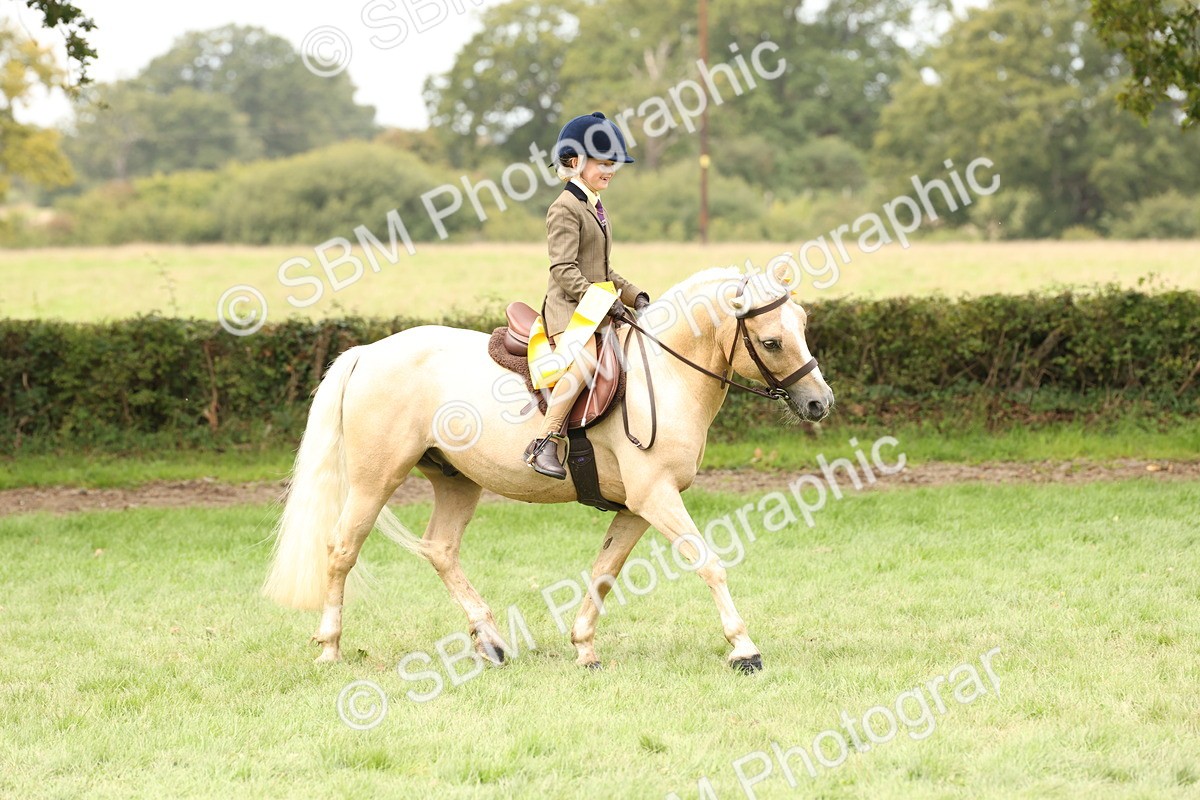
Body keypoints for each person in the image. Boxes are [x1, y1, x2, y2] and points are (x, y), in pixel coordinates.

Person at [524, 112, 650, 479]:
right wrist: (604, 302)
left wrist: (634, 295)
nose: (611, 169)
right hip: (568, 312)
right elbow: (564, 271)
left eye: (614, 164)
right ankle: (544, 442)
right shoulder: (564, 207)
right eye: (604, 162)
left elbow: (601, 268)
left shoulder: (594, 204)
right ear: (574, 161)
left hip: (596, 306)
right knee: (586, 364)